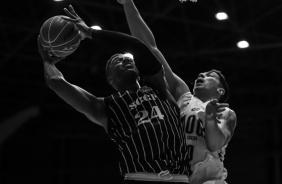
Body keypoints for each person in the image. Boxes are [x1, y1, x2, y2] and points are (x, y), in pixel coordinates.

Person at [38, 5, 190, 184]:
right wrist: (47, 61)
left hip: (180, 179)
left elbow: (137, 46)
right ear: (110, 79)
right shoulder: (105, 107)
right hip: (139, 177)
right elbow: (56, 82)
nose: (125, 59)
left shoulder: (159, 88)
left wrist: (90, 33)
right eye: (116, 60)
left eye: (127, 59)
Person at [117, 1, 237, 184]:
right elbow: (149, 47)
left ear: (220, 90)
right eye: (201, 73)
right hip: (178, 178)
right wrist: (128, 4)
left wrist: (211, 120)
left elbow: (215, 145)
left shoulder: (226, 113)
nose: (201, 74)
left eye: (209, 75)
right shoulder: (183, 96)